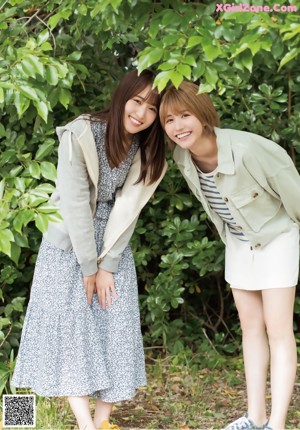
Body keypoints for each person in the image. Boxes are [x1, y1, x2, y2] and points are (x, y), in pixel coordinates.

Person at [12, 69, 167, 430]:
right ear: (122, 97)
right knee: (71, 329)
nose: (142, 113)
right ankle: (82, 426)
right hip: (70, 244)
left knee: (117, 324)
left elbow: (128, 209)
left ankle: (102, 422)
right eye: (137, 101)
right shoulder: (81, 132)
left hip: (113, 245)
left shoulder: (148, 148)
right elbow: (75, 203)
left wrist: (107, 264)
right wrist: (87, 267)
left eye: (152, 108)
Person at [159, 81, 300, 430]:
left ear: (204, 114)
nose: (178, 127)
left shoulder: (250, 150)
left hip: (277, 240)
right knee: (251, 329)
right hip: (238, 244)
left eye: (186, 115)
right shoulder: (182, 156)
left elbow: (295, 199)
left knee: (278, 330)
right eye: (169, 120)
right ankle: (255, 418)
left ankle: (277, 425)